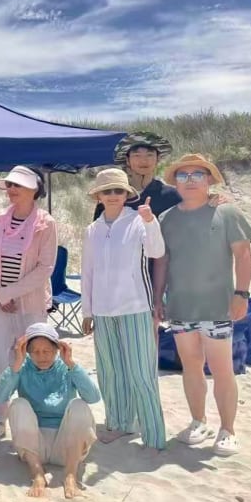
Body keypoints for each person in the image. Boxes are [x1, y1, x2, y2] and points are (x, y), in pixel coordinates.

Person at [154, 154, 251, 456]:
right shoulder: (167, 218)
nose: (190, 181)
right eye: (183, 175)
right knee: (191, 366)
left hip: (217, 307)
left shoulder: (226, 212)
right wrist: (158, 297)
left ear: (209, 179)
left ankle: (228, 429)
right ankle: (198, 421)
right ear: (175, 182)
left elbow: (243, 254)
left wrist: (242, 293)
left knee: (222, 370)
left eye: (197, 174)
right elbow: (163, 261)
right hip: (181, 307)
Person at [81, 168, 167, 449]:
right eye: (107, 191)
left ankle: (154, 435)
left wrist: (151, 221)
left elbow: (156, 252)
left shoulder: (139, 221)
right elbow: (87, 272)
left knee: (141, 373)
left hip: (135, 307)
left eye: (118, 190)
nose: (113, 195)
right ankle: (119, 423)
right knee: (110, 372)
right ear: (99, 196)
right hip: (103, 311)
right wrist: (87, 311)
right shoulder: (92, 230)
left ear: (127, 194)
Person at [0, 166, 58, 440]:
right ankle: (0, 416)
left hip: (31, 304)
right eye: (10, 185)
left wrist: (10, 293)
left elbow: (45, 267)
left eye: (18, 186)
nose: (12, 190)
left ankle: (36, 415)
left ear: (34, 190)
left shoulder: (46, 223)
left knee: (36, 357)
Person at [0, 323, 100, 499]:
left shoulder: (66, 367)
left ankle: (70, 475)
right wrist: (16, 365)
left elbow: (93, 397)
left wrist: (71, 364)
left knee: (79, 405)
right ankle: (37, 474)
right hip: (34, 447)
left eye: (47, 351)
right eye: (35, 351)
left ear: (57, 349)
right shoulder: (22, 368)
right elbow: (0, 397)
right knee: (18, 404)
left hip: (66, 447)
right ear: (27, 351)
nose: (41, 356)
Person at [97, 132, 181, 220]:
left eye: (149, 155)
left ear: (158, 159)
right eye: (137, 155)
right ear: (127, 160)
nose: (143, 160)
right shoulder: (112, 195)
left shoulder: (172, 196)